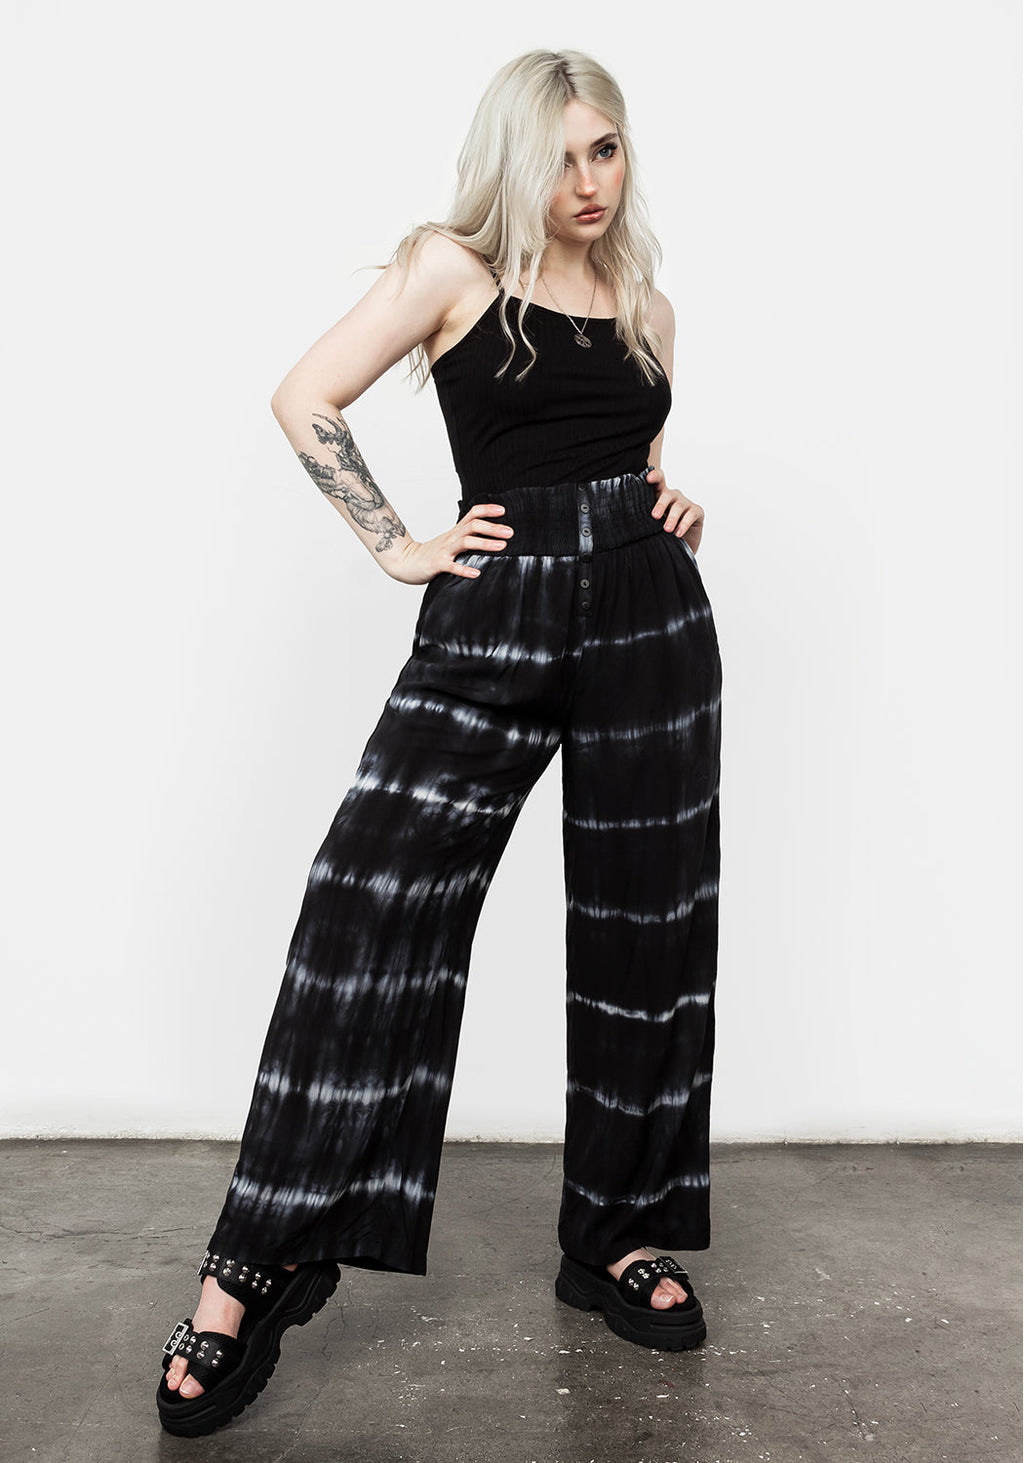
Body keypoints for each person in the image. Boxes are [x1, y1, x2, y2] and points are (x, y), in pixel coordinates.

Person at [156, 47, 723, 1438]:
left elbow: (632, 454)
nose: (588, 182)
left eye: (607, 150)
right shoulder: (451, 271)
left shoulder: (648, 306)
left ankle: (617, 1232)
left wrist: (668, 500)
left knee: (648, 925)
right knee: (367, 901)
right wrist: (396, 543)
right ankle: (258, 1259)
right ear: (513, 161)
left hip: (650, 619)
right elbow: (306, 395)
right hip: (495, 612)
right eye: (561, 156)